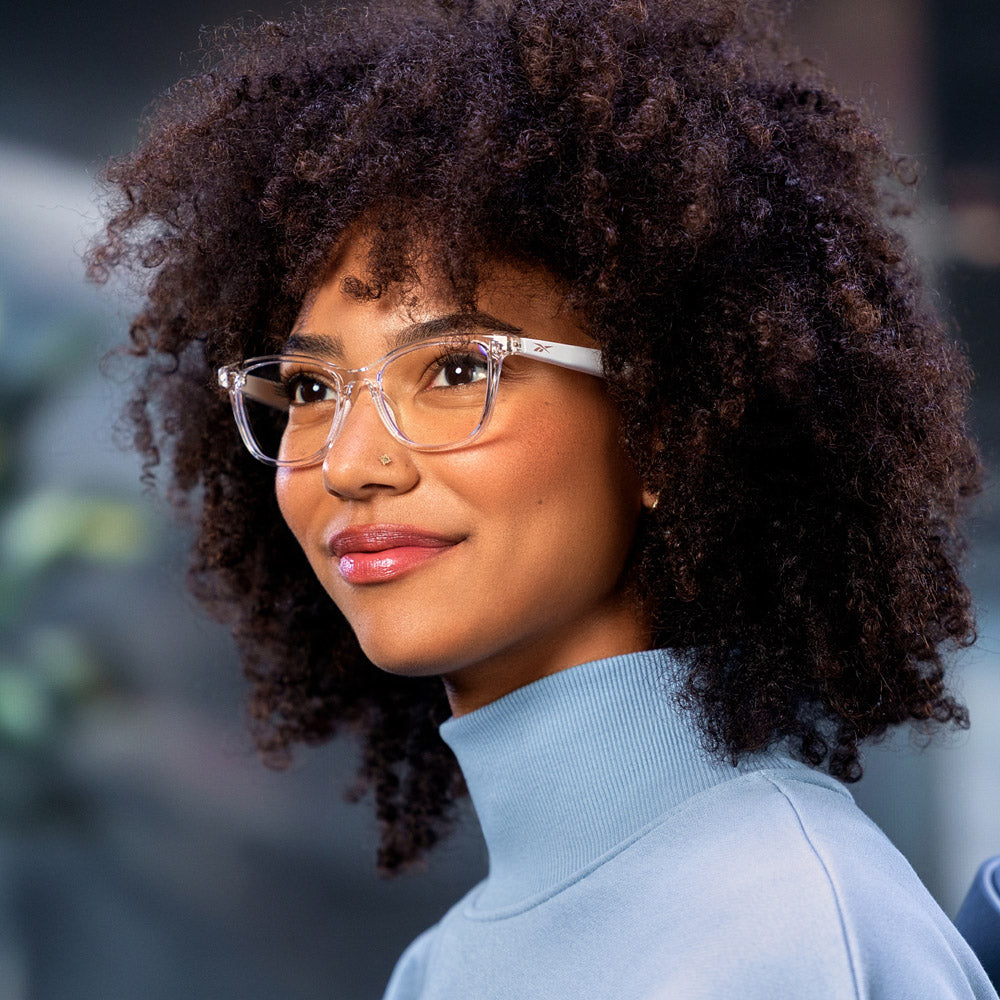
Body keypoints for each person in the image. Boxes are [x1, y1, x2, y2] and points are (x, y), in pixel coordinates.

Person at [89, 0, 996, 996]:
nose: (349, 462)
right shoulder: (439, 968)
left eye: (452, 369)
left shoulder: (786, 927)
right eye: (309, 389)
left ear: (661, 420)